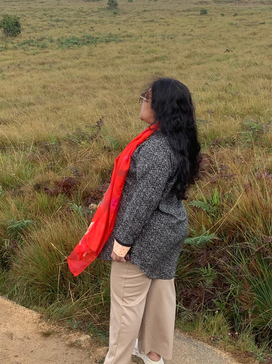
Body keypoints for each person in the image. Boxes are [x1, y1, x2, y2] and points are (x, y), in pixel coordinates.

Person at [99, 78, 201, 364]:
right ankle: (154, 356)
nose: (141, 99)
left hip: (148, 234)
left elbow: (143, 200)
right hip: (169, 228)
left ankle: (116, 360)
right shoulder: (176, 141)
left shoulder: (156, 148)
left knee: (125, 305)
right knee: (160, 293)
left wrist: (123, 241)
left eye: (146, 96)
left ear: (161, 106)